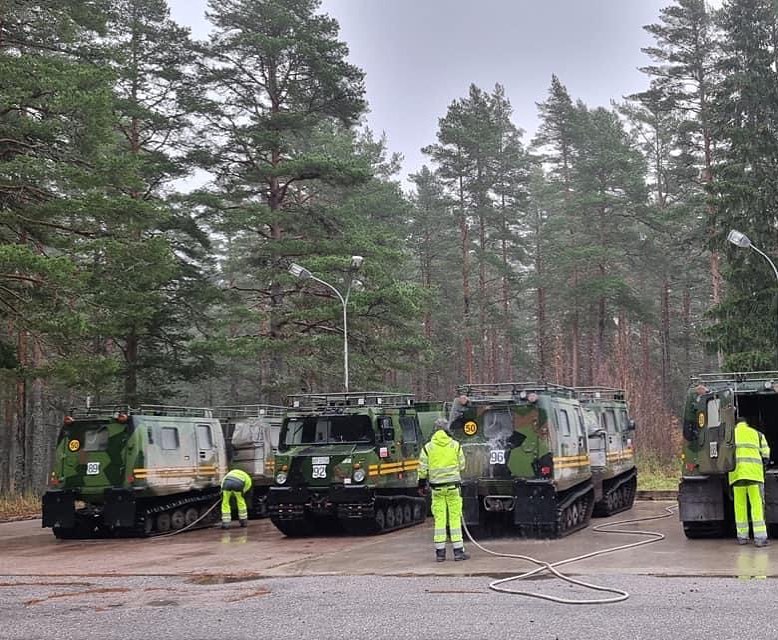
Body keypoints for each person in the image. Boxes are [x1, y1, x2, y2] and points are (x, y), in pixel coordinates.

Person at [418, 416, 468, 562]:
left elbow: (422, 469)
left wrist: (421, 485)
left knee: (439, 519)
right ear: (447, 429)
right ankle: (458, 552)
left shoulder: (428, 448)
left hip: (437, 490)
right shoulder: (455, 445)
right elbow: (462, 465)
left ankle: (440, 554)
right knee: (454, 518)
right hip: (453, 488)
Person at [729, 419, 770, 547]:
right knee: (756, 505)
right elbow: (766, 454)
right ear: (747, 424)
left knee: (740, 506)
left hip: (737, 476)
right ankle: (760, 538)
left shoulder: (730, 435)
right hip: (754, 475)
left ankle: (742, 537)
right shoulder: (757, 434)